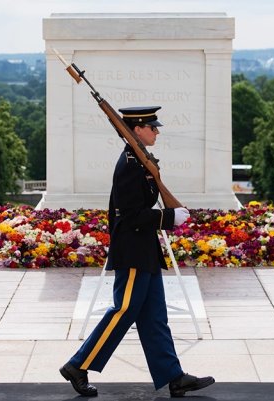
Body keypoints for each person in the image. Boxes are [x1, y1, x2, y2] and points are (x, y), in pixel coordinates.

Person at [59, 106, 215, 398]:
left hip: (145, 251)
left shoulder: (140, 161)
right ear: (137, 129)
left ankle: (174, 376)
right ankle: (77, 365)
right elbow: (130, 216)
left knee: (154, 316)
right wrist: (168, 218)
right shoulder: (130, 165)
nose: (156, 131)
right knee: (124, 310)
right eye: (152, 127)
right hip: (133, 251)